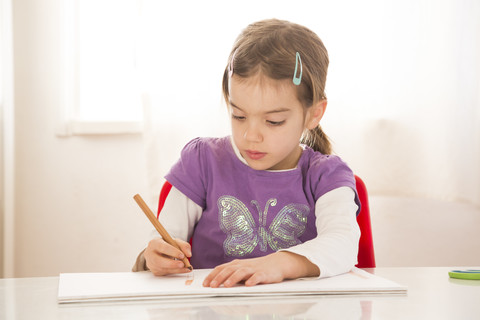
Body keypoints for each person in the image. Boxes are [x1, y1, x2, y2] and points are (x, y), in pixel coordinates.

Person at [133, 18, 361, 288]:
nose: (250, 136)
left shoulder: (326, 176)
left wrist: (279, 263)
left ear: (314, 114)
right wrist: (155, 256)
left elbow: (343, 243)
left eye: (273, 121)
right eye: (239, 115)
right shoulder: (201, 162)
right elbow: (161, 246)